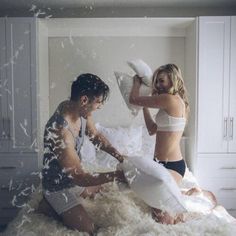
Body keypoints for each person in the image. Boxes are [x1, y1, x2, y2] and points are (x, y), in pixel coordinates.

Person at [37, 73, 125, 235]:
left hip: (74, 181)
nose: (99, 106)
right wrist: (116, 175)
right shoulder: (59, 130)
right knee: (89, 229)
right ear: (84, 100)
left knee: (105, 189)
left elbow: (96, 137)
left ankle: (56, 204)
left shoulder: (80, 110)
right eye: (98, 102)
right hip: (58, 187)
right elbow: (80, 176)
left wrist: (120, 157)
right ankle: (48, 204)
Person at [129, 63, 216, 224]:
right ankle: (185, 192)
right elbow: (152, 129)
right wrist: (144, 108)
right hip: (159, 164)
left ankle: (193, 198)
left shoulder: (170, 99)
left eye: (161, 81)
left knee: (162, 219)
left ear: (173, 80)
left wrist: (136, 83)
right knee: (155, 206)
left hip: (173, 166)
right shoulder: (171, 102)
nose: (157, 85)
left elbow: (133, 99)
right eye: (156, 82)